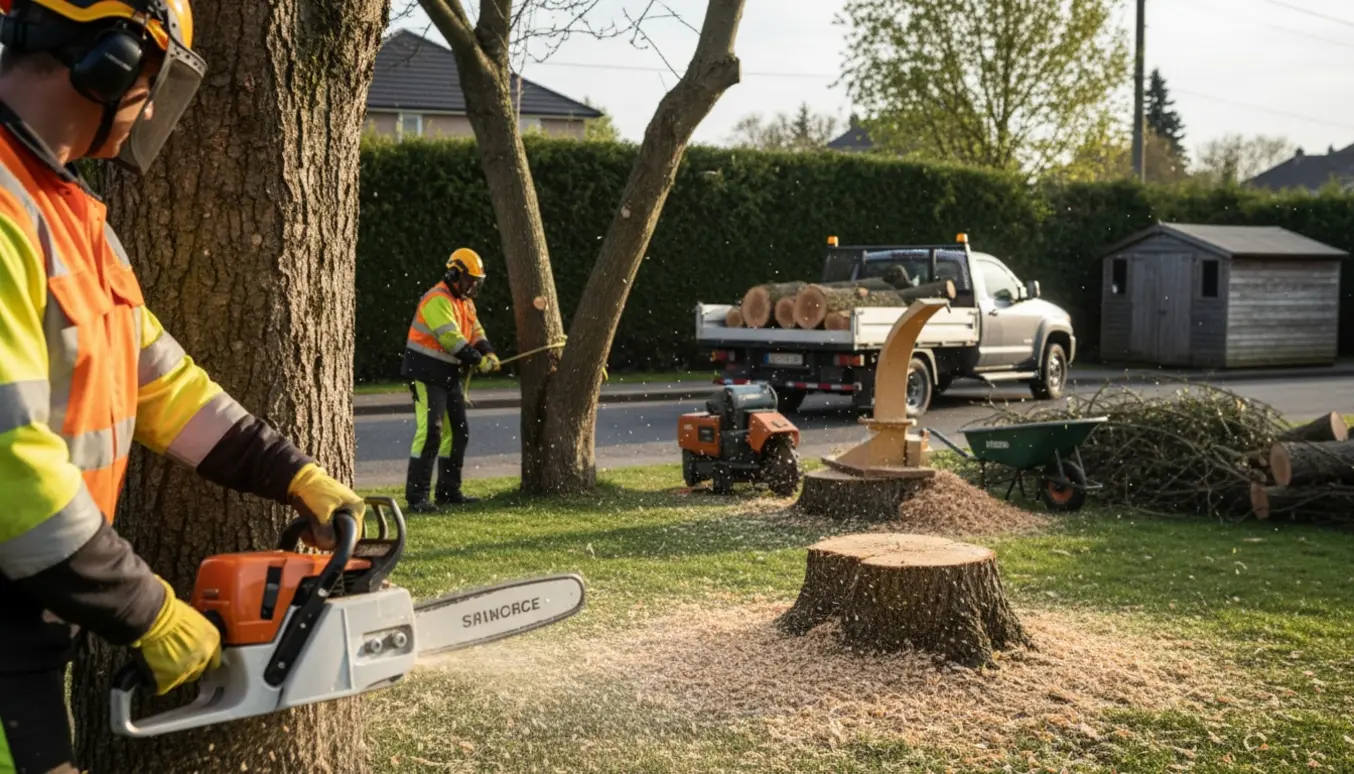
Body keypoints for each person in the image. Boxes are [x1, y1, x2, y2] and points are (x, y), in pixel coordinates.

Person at [0, 1, 366, 771]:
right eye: (153, 76)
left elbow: (158, 381)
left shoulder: (70, 213)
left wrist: (292, 474)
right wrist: (146, 610)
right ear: (115, 59)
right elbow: (8, 461)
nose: (151, 101)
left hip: (29, 618)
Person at [402, 248, 501, 512]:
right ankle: (417, 497)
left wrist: (487, 351)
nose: (472, 286)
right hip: (425, 374)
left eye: (476, 281)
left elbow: (475, 332)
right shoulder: (437, 300)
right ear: (454, 274)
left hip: (447, 375)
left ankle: (448, 490)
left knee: (458, 431)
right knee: (431, 432)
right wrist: (478, 360)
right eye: (469, 280)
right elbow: (452, 340)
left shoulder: (464, 303)